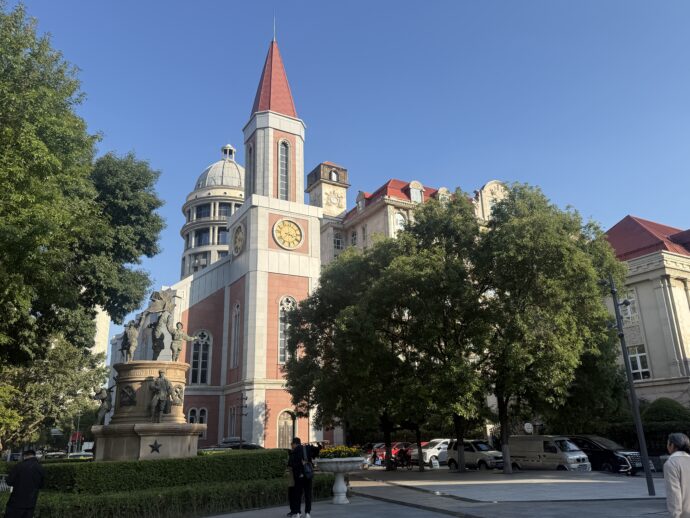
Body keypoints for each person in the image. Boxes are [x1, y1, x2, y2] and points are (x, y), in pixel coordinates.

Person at [5, 449, 45, 518]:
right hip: (31, 503)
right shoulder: (40, 468)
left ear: (25, 456)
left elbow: (9, 481)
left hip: (16, 503)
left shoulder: (19, 466)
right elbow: (41, 485)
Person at [664, 432, 690, 518]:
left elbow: (674, 494)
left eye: (668, 443)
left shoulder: (671, 463)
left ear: (672, 445)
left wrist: (674, 515)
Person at [287, 437, 313, 518]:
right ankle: (307, 513)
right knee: (308, 494)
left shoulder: (294, 452)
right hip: (308, 475)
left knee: (298, 495)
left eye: (292, 444)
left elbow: (290, 464)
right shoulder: (306, 449)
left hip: (298, 476)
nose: (291, 446)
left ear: (294, 444)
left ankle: (298, 513)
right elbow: (311, 460)